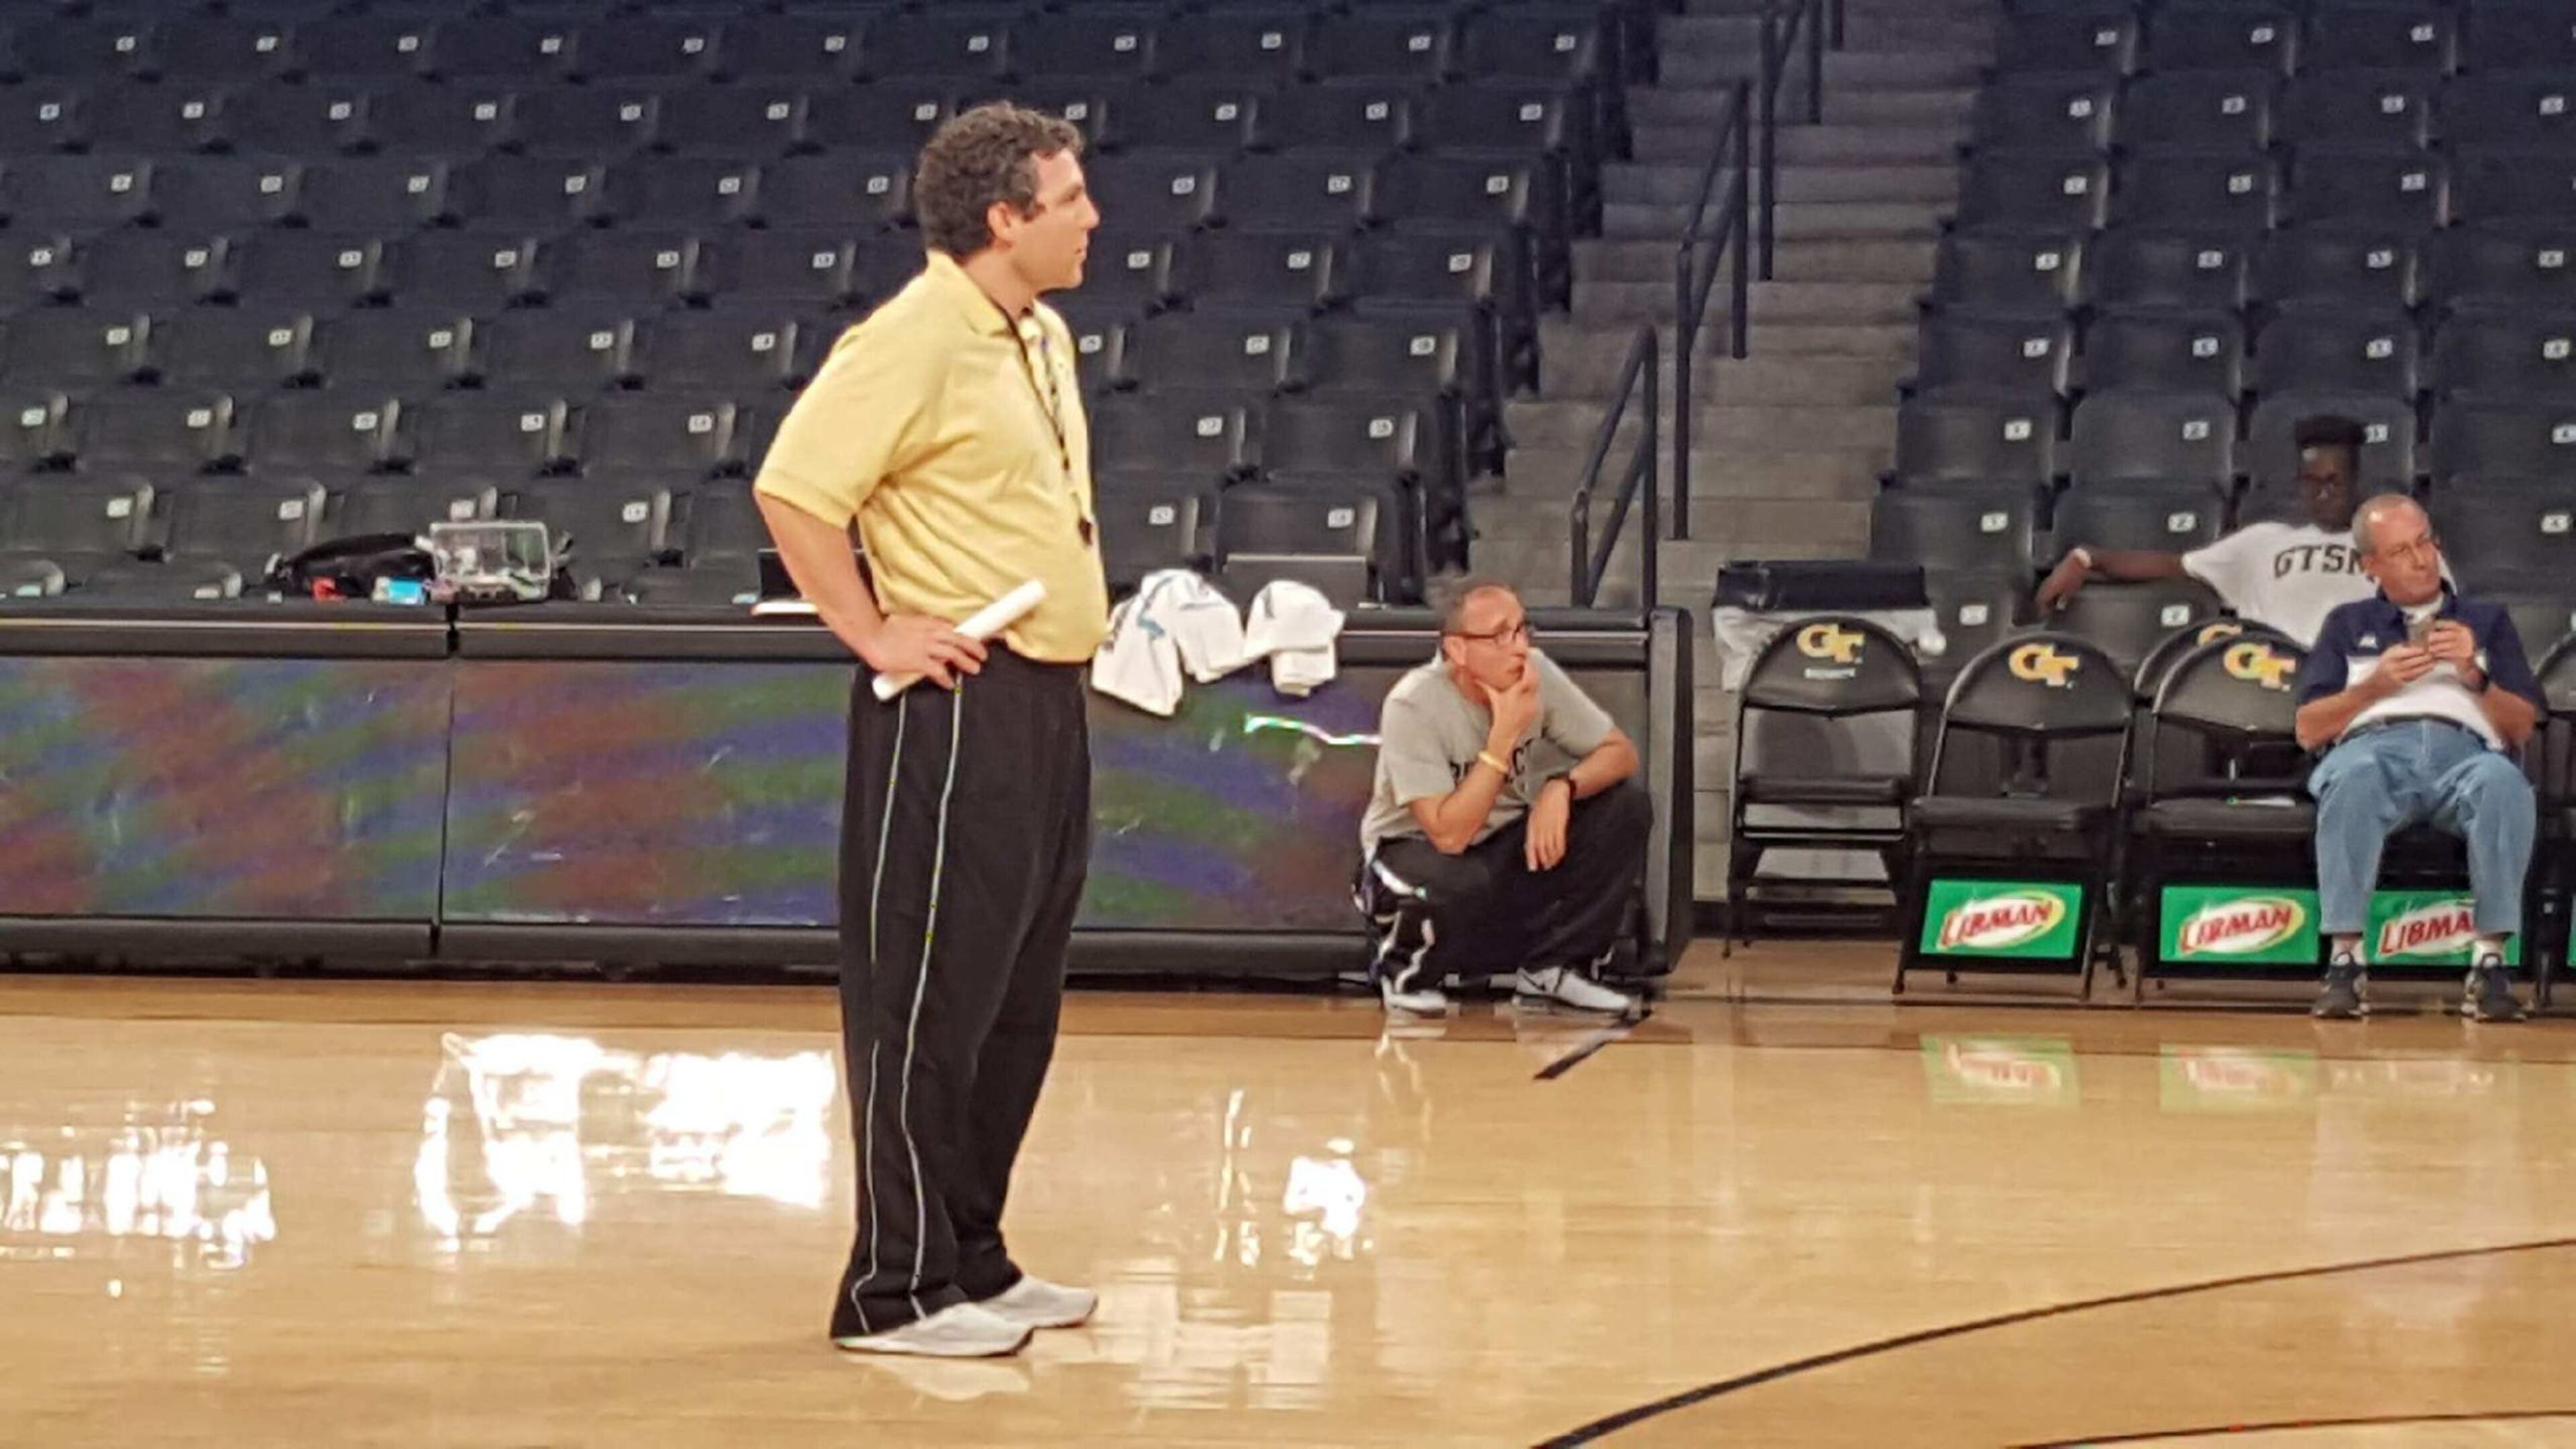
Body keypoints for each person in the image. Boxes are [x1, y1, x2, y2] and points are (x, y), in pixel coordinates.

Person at [753, 103, 1108, 1360]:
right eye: (1070, 199)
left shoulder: (1041, 332)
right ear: (1005, 219)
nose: (1091, 217)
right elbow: (795, 490)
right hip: (957, 704)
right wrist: (873, 630)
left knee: (1015, 998)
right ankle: (892, 1291)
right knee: (928, 999)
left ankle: (972, 1256)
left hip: (1051, 699)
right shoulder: (908, 340)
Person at [2292, 495, 2542, 1023]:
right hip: (2373, 749)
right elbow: (2308, 729)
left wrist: (2473, 673)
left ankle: (2490, 964)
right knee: (2351, 779)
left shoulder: (2486, 620)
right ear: (2371, 566)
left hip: (2467, 752)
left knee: (2504, 784)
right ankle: (2345, 963)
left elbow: (2521, 727)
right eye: (2402, 551)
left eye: (2425, 541)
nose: (2422, 559)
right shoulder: (2346, 623)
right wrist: (2374, 687)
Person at [1356, 579, 1654, 1016]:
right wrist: (1503, 738)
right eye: (1500, 636)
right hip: (1409, 854)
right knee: (1456, 878)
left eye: (1522, 630)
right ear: (1457, 650)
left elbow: (1620, 754)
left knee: (1625, 806)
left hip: (1497, 847)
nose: (1518, 648)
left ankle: (1554, 967)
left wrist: (1562, 788)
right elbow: (1449, 835)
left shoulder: (1535, 672)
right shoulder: (1413, 703)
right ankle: (1404, 972)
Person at [2036, 415, 2385, 645]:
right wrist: (2086, 558)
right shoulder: (2263, 542)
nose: (2322, 494)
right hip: (2272, 687)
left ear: (2356, 482)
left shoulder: (2395, 545)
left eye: (2333, 482)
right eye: (2311, 482)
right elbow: (2174, 566)